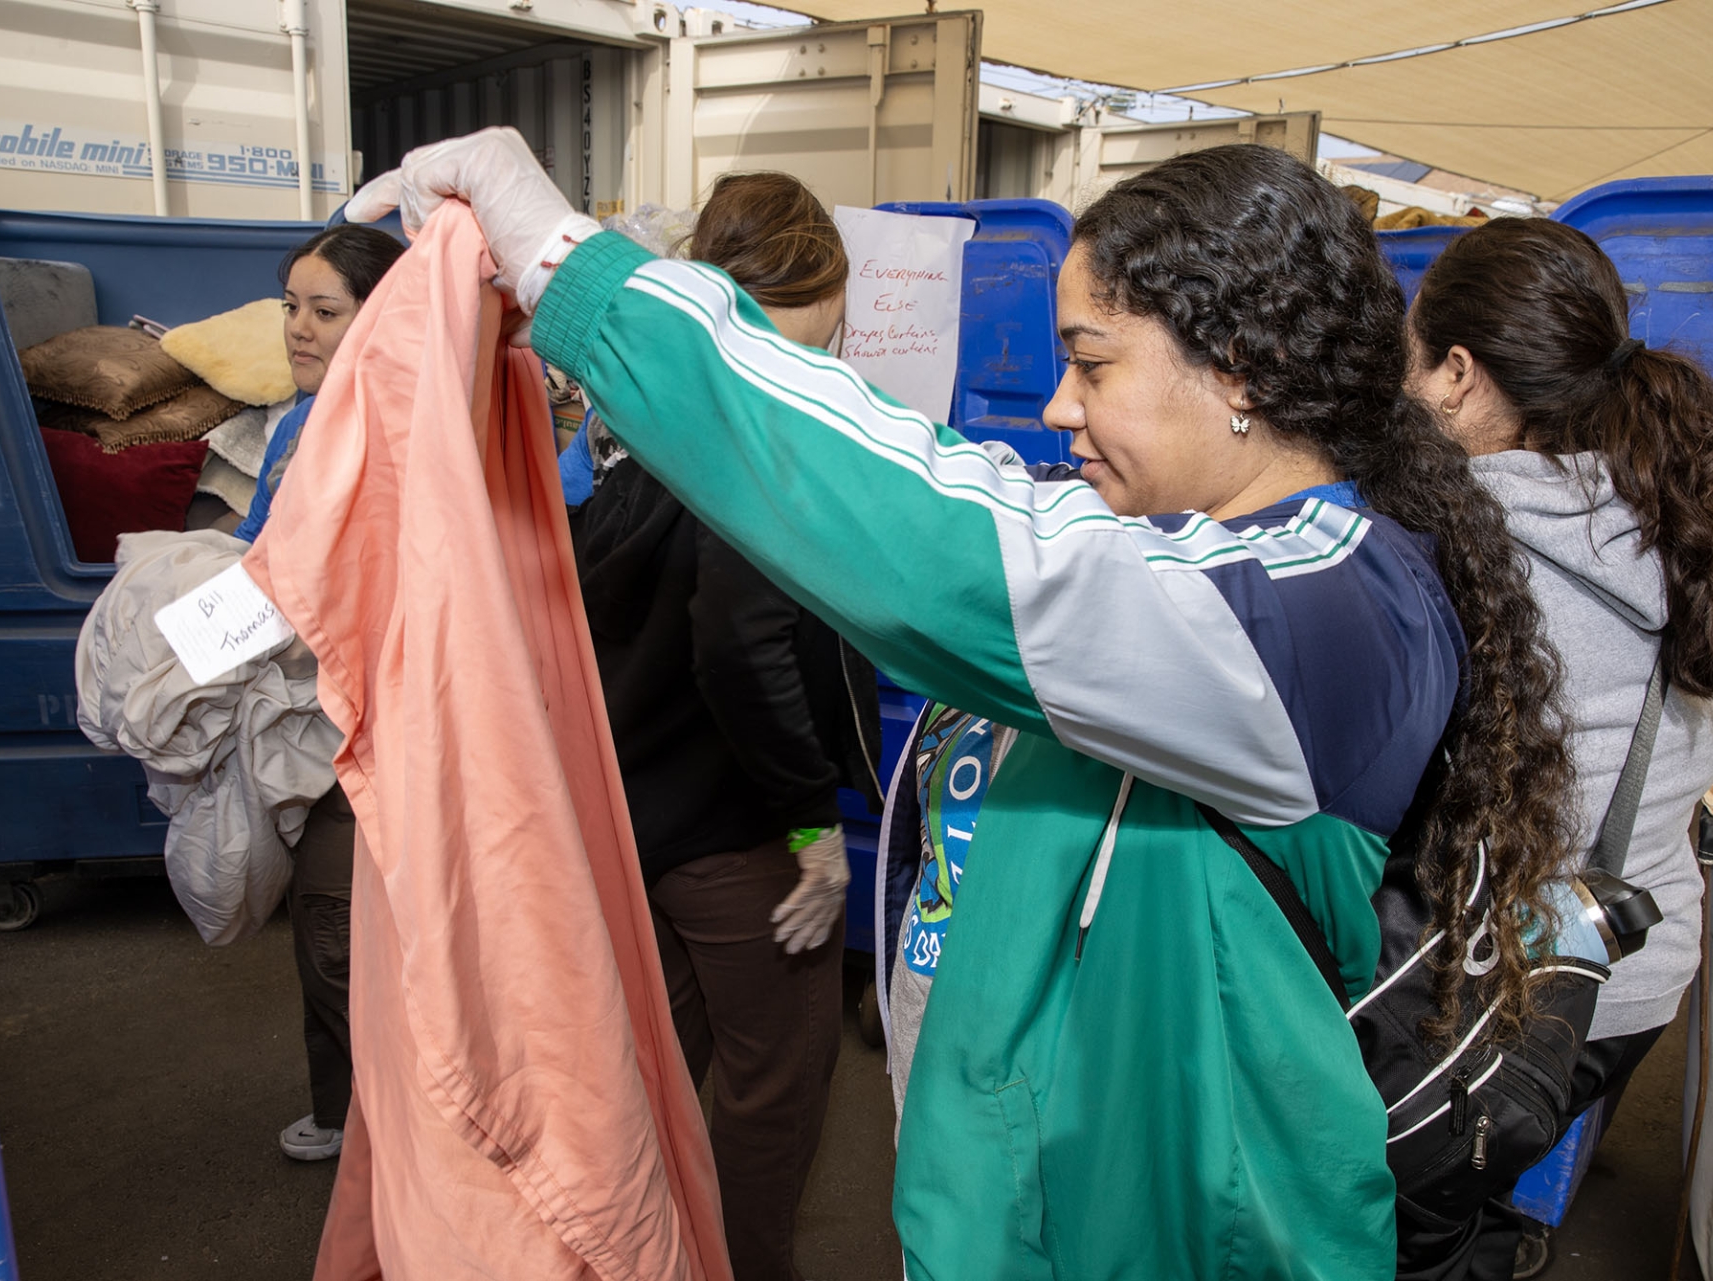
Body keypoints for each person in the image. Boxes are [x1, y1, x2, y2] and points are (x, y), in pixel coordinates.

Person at [348, 132, 1572, 1279]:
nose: (1055, 405)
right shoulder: (1178, 542)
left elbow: (941, 537)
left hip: (1169, 1231)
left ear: (1237, 369)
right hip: (1031, 1205)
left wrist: (570, 263)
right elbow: (941, 482)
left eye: (1091, 362)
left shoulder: (1324, 614)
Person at [1407, 217, 1713, 1277]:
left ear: (1462, 375)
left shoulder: (1459, 547)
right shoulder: (1661, 509)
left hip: (1520, 994)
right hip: (1639, 969)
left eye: (1412, 357)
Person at [570, 170, 879, 1281]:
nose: (830, 349)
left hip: (641, 830)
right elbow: (738, 644)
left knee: (656, 1074)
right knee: (773, 1093)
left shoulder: (644, 437)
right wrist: (810, 833)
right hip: (742, 847)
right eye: (821, 324)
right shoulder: (752, 445)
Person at [237, 223, 407, 1160]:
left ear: (375, 319)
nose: (299, 328)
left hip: (369, 716)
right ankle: (348, 1107)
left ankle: (381, 1122)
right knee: (330, 918)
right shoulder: (303, 421)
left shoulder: (386, 425)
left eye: (324, 310)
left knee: (336, 922)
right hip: (320, 709)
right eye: (291, 307)